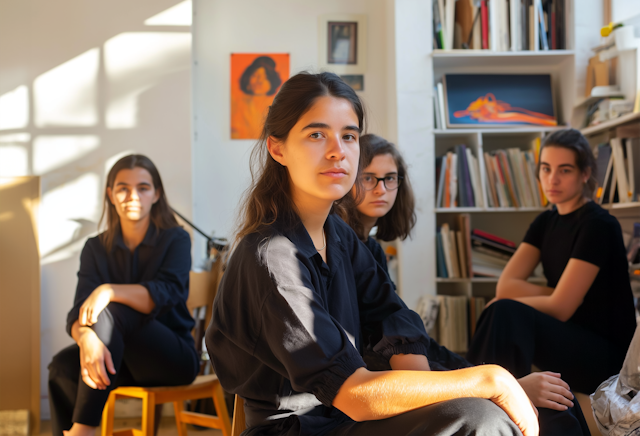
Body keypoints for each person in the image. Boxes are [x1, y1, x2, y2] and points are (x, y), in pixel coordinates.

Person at [206, 72, 539, 436]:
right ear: (278, 148)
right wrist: (490, 380)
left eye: (349, 136)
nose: (338, 150)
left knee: (503, 410)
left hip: (348, 419)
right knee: (480, 418)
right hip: (302, 428)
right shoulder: (271, 258)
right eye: (317, 134)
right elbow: (355, 394)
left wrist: (444, 393)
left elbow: (391, 314)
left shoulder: (340, 236)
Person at [341, 133, 589, 435]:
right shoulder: (346, 248)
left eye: (389, 178)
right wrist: (494, 384)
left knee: (558, 403)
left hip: (411, 378)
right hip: (387, 389)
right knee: (551, 410)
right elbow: (389, 356)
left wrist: (496, 379)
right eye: (368, 178)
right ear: (348, 180)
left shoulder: (373, 248)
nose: (381, 189)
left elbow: (422, 345)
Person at [467, 128, 637, 397]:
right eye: (546, 169)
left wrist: (560, 298)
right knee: (500, 310)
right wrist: (557, 294)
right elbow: (507, 286)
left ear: (584, 174)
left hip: (604, 354)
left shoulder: (598, 225)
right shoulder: (545, 222)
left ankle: (487, 398)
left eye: (565, 170)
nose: (552, 179)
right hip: (570, 333)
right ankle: (482, 396)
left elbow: (560, 308)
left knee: (503, 312)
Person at [48, 155, 199, 436]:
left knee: (114, 310)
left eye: (143, 187)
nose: (133, 196)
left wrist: (109, 291)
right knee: (62, 366)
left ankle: (83, 430)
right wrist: (87, 338)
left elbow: (168, 293)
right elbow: (79, 311)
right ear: (111, 194)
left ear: (156, 194)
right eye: (123, 188)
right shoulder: (95, 247)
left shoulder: (175, 238)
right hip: (119, 358)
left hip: (172, 358)